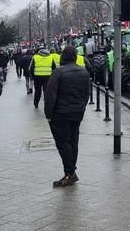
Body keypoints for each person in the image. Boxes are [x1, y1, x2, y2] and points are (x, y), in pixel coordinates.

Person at [44, 46, 90, 187]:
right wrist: (81, 108)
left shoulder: (58, 72)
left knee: (64, 144)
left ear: (63, 56)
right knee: (73, 142)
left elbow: (50, 96)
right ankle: (70, 172)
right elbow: (86, 94)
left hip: (60, 114)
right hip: (77, 113)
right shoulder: (83, 72)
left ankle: (70, 174)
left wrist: (49, 115)